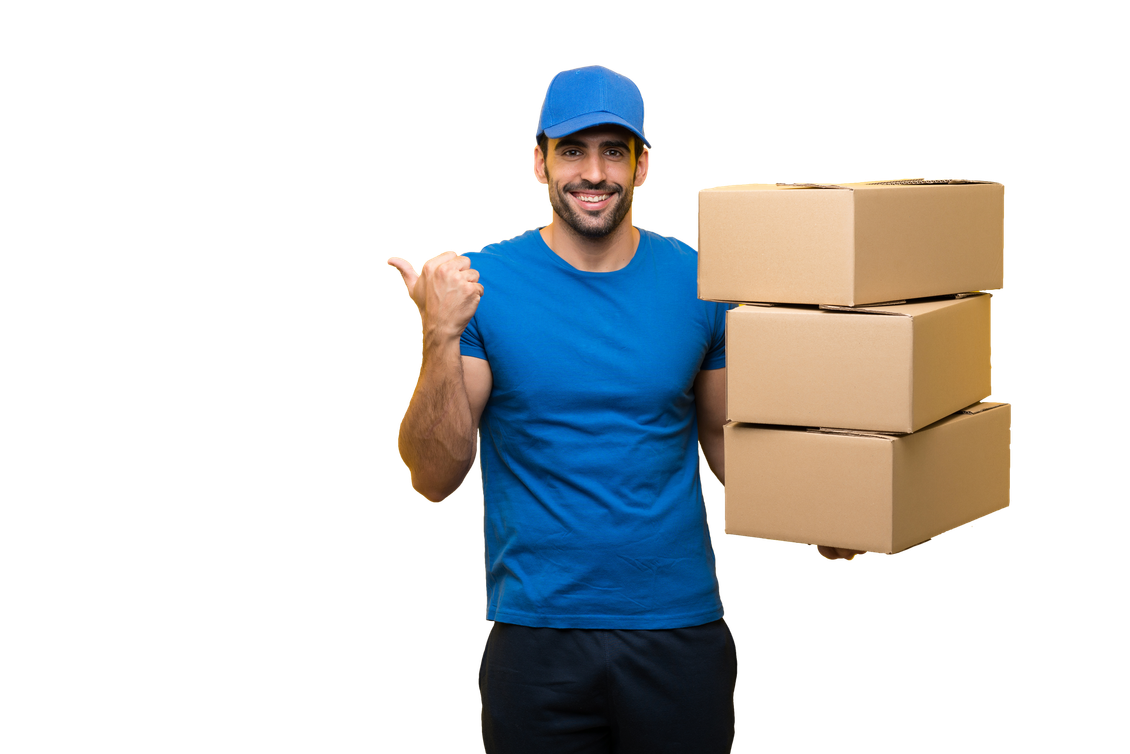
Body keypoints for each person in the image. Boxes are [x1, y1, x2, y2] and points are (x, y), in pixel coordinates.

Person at [389, 64, 862, 754]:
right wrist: (440, 332)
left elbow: (727, 443)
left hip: (680, 631)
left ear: (643, 167)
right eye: (573, 150)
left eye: (616, 151)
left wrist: (818, 519)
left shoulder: (701, 279)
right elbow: (435, 477)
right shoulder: (484, 285)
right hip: (536, 638)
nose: (594, 172)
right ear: (538, 163)